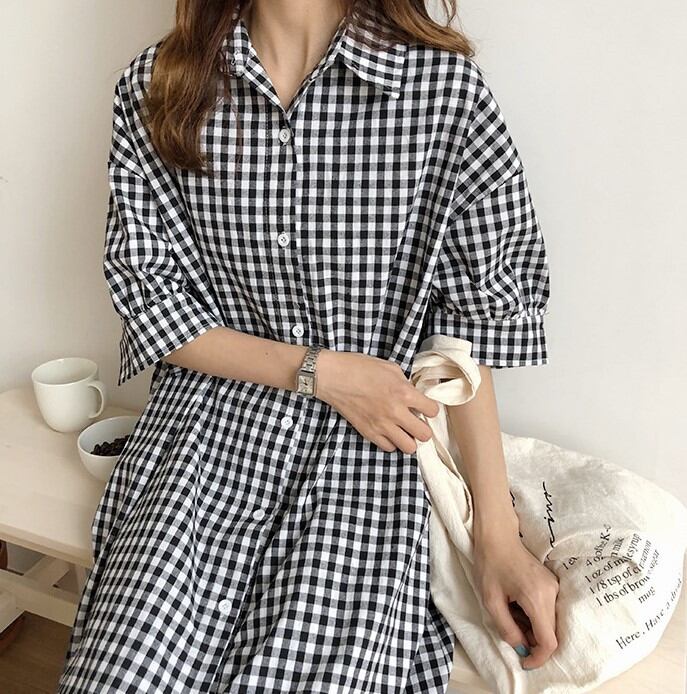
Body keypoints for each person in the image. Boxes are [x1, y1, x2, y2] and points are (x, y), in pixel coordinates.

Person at [57, 0, 557, 691]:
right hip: (203, 443)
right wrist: (320, 372)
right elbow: (150, 297)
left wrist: (496, 539)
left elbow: (468, 335)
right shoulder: (161, 85)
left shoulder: (442, 92)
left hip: (369, 450)